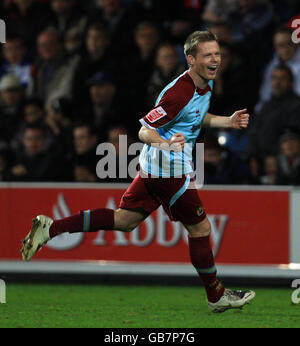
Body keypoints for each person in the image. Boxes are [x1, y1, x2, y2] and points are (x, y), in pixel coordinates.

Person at [21, 31, 255, 313]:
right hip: (169, 170)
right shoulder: (179, 92)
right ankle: (216, 295)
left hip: (154, 167)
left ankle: (52, 228)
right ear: (191, 60)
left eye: (217, 53)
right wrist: (165, 143)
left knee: (124, 220)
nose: (215, 59)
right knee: (201, 228)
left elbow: (196, 117)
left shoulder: (203, 84)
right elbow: (145, 129)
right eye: (208, 55)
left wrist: (226, 122)